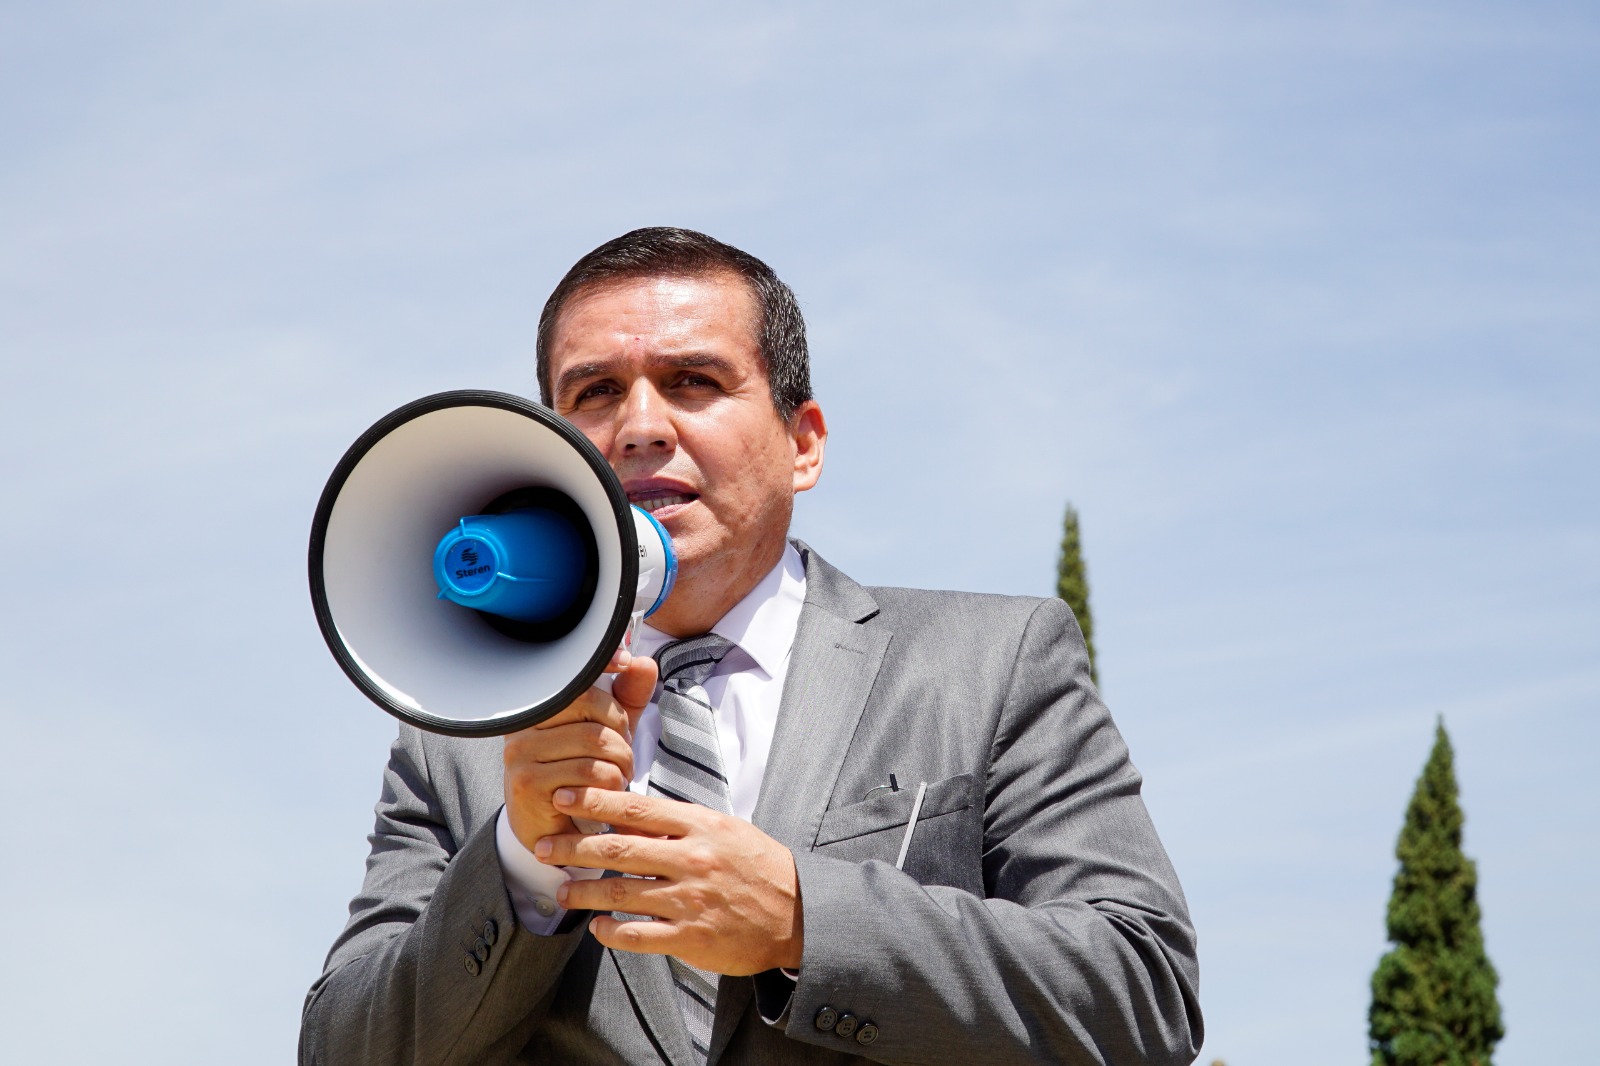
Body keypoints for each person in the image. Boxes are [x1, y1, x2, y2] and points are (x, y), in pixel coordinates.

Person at [299, 228, 1202, 1065]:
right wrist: (522, 864)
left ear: (803, 443)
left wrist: (802, 920)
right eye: (596, 392)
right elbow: (342, 1050)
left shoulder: (991, 663)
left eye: (694, 380)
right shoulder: (461, 744)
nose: (642, 425)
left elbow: (1143, 993)